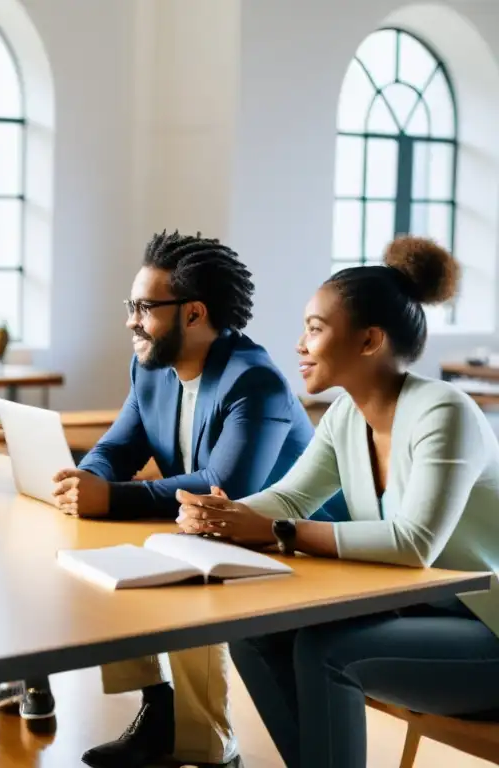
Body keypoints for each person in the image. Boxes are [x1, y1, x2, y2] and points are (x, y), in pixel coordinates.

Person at [0, 231, 346, 768]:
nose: (131, 320)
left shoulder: (255, 381)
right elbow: (117, 446)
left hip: (294, 545)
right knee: (102, 548)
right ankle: (161, 709)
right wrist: (83, 483)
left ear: (193, 313)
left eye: (144, 307)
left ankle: (210, 746)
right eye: (130, 306)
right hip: (210, 530)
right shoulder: (151, 369)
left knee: (184, 571)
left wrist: (109, 496)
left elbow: (226, 485)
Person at [177, 236, 499, 768]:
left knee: (328, 652)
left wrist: (276, 530)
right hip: (422, 617)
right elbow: (292, 496)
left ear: (369, 340)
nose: (300, 344)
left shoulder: (445, 413)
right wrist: (219, 515)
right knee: (256, 636)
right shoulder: (349, 416)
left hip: (488, 635)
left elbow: (414, 543)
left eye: (315, 329)